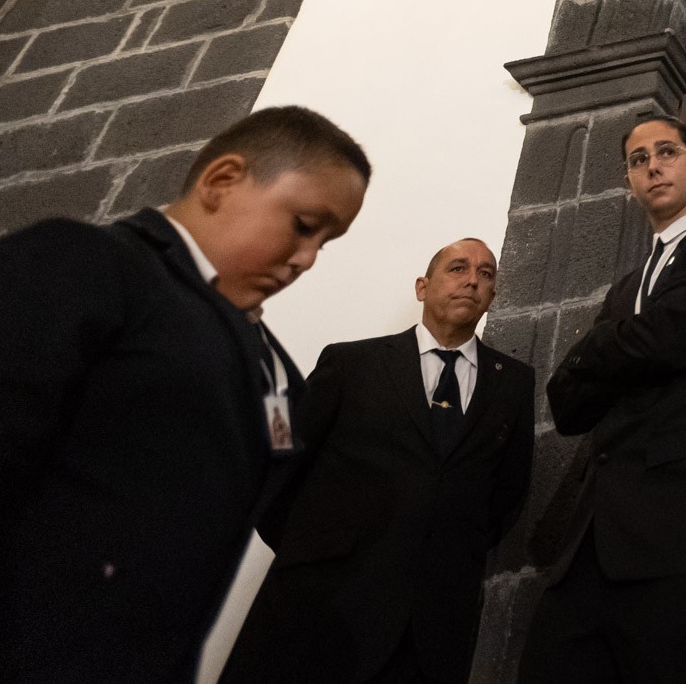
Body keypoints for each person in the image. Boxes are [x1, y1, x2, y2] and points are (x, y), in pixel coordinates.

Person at [0, 106, 370, 684]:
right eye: (303, 224)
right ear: (222, 181)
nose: (307, 259)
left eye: (327, 241)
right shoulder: (87, 263)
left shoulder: (279, 370)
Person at [520, 114, 686, 683]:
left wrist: (603, 344)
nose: (653, 166)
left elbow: (671, 337)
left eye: (667, 152)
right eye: (639, 160)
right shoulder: (626, 287)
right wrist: (621, 346)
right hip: (598, 536)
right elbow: (566, 403)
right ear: (630, 181)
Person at [221, 237, 534, 684]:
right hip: (320, 609)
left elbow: (507, 493)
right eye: (458, 268)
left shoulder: (514, 384)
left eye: (486, 274)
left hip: (430, 629)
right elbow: (284, 462)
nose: (472, 280)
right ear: (422, 286)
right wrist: (310, 551)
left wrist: (442, 556)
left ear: (493, 297)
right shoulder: (352, 363)